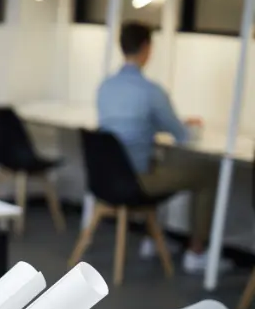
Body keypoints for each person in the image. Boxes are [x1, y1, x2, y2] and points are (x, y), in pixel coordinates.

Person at [97, 20, 227, 274]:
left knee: (161, 163)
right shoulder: (151, 92)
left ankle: (151, 238)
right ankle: (196, 253)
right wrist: (186, 125)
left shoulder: (105, 87)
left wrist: (157, 125)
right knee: (208, 175)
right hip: (136, 179)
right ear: (147, 48)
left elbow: (127, 126)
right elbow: (181, 135)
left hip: (107, 177)